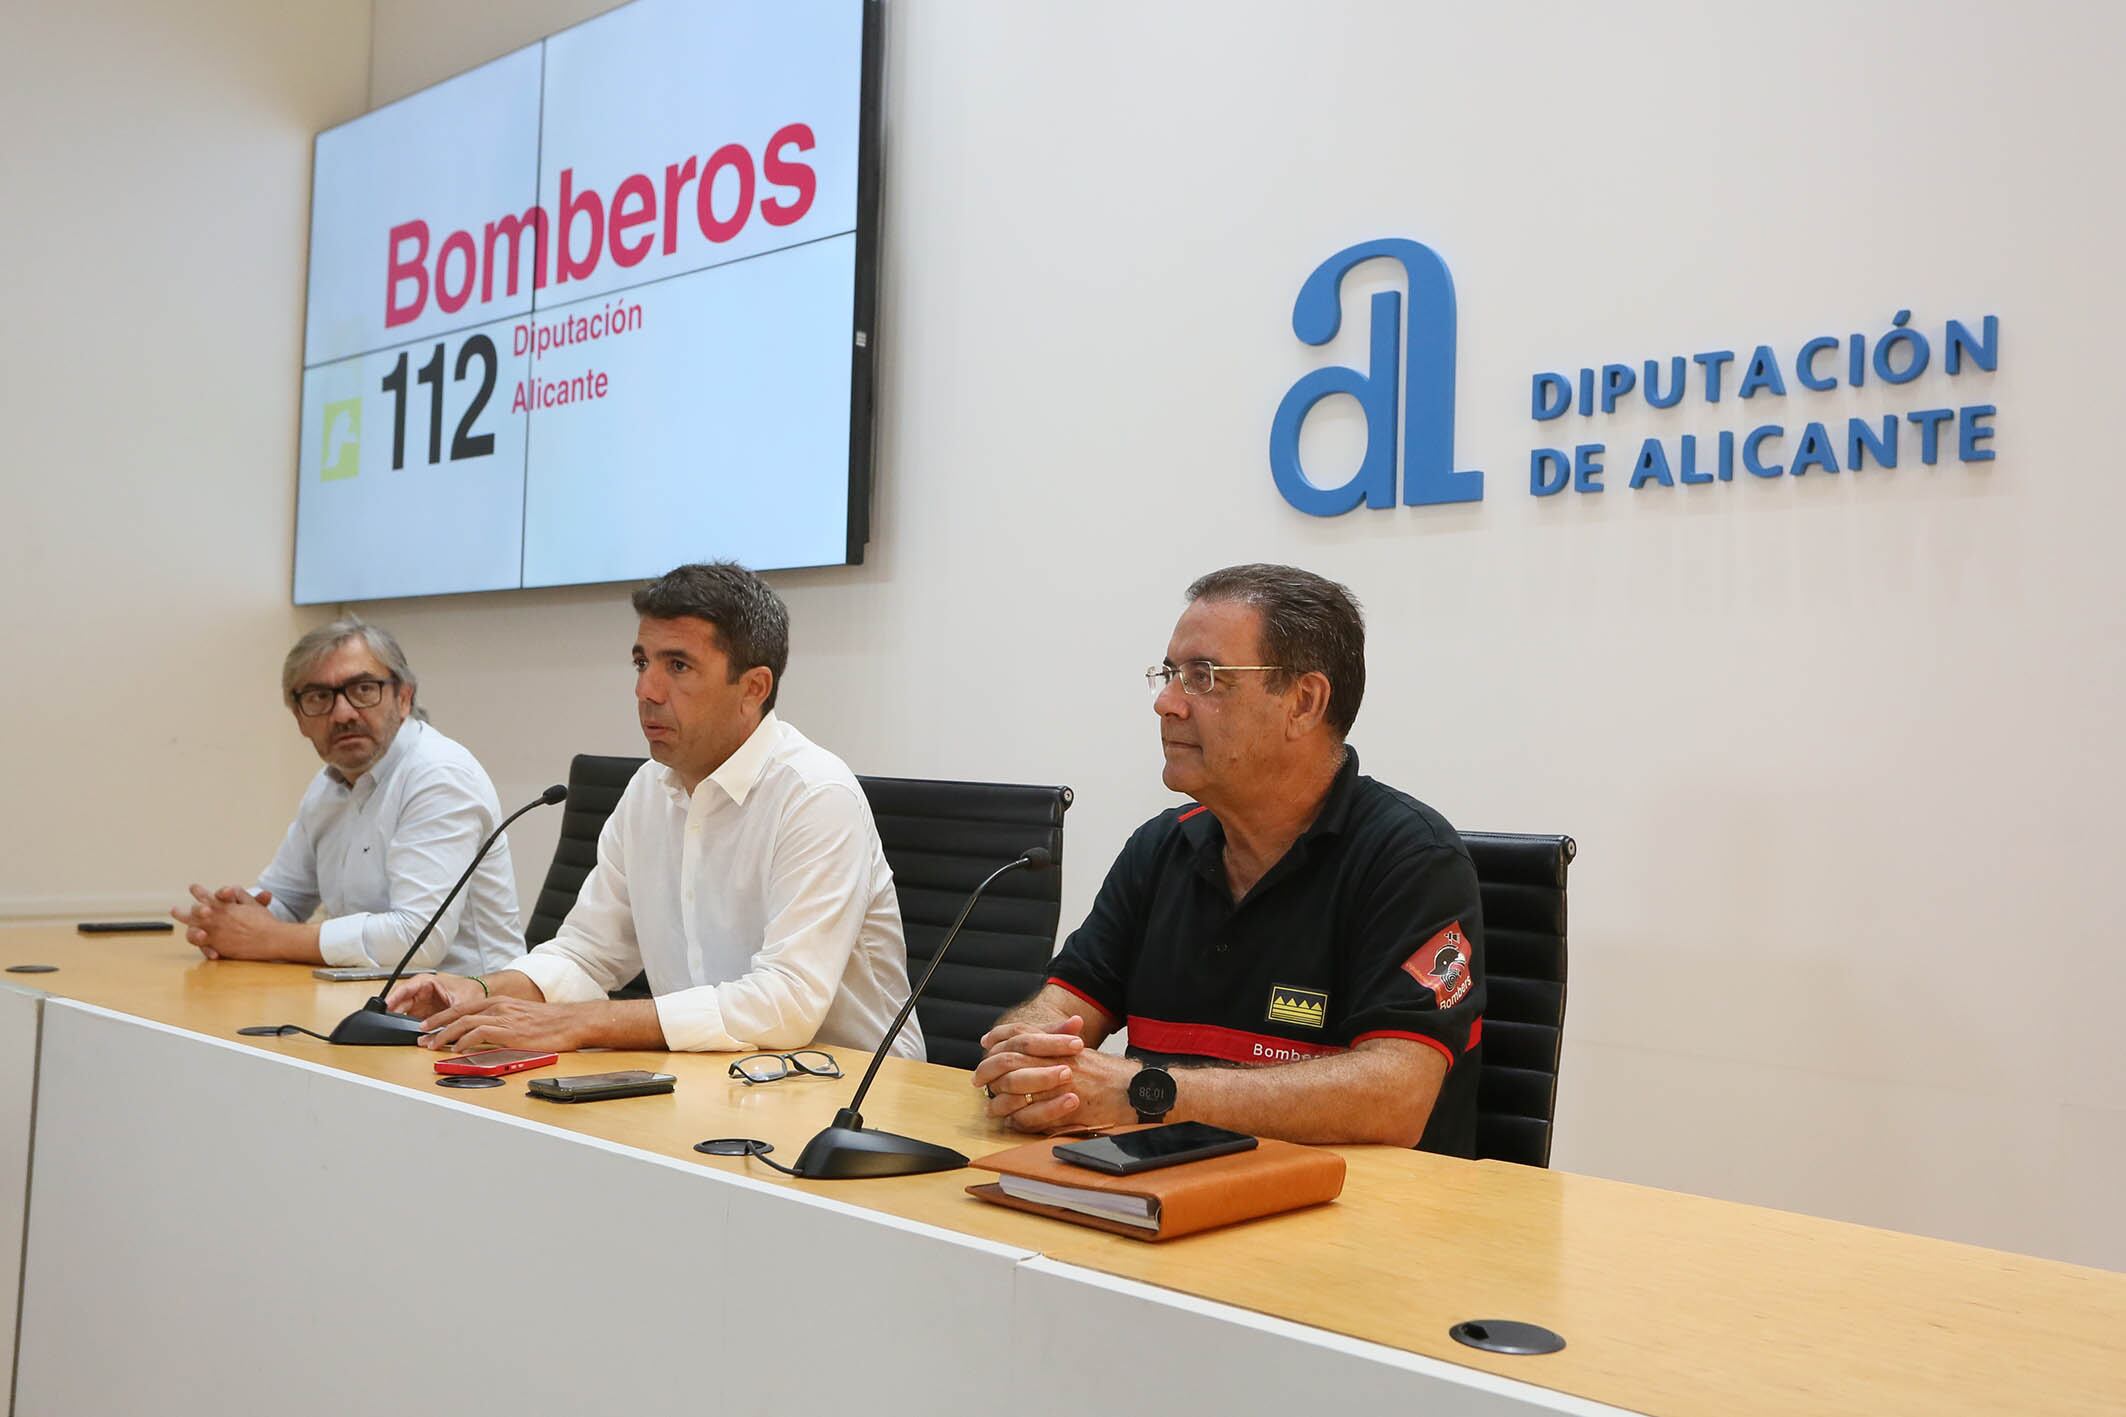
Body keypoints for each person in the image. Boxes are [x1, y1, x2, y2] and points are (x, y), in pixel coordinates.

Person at [972, 564, 1484, 1153]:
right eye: (1168, 675)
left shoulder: (1413, 859)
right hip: (1166, 1194)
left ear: (1304, 703)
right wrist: (1027, 1057)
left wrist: (1148, 1091)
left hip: (1355, 1218)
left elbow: (1395, 1096)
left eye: (1204, 677)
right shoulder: (1160, 848)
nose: (1166, 703)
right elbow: (1062, 1005)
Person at [386, 562, 921, 1060]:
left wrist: (584, 1023)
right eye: (642, 662)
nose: (646, 690)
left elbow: (784, 1004)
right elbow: (585, 955)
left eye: (678, 666)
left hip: (853, 1101)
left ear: (753, 688)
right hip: (715, 1079)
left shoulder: (816, 796)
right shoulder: (647, 791)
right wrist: (477, 990)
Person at [171, 618, 522, 977]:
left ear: (404, 698)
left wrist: (270, 938)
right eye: (319, 697)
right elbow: (284, 899)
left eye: (363, 689)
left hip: (469, 1012)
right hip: (366, 1001)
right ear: (299, 721)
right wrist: (228, 919)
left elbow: (418, 939)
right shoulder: (328, 786)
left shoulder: (439, 774)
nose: (342, 714)